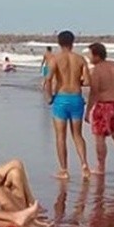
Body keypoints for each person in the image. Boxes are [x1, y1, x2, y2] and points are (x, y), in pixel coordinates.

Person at [43, 30, 92, 179]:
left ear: (59, 43)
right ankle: (84, 164)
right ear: (73, 42)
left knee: (60, 136)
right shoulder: (80, 59)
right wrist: (77, 82)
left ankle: (64, 169)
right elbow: (88, 81)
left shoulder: (55, 59)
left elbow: (48, 80)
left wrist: (49, 97)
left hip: (61, 99)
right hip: (76, 98)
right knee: (77, 135)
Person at [84, 43, 114, 175]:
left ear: (97, 55)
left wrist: (88, 111)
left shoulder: (97, 70)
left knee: (99, 137)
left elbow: (94, 92)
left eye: (90, 54)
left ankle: (101, 166)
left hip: (104, 105)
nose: (88, 57)